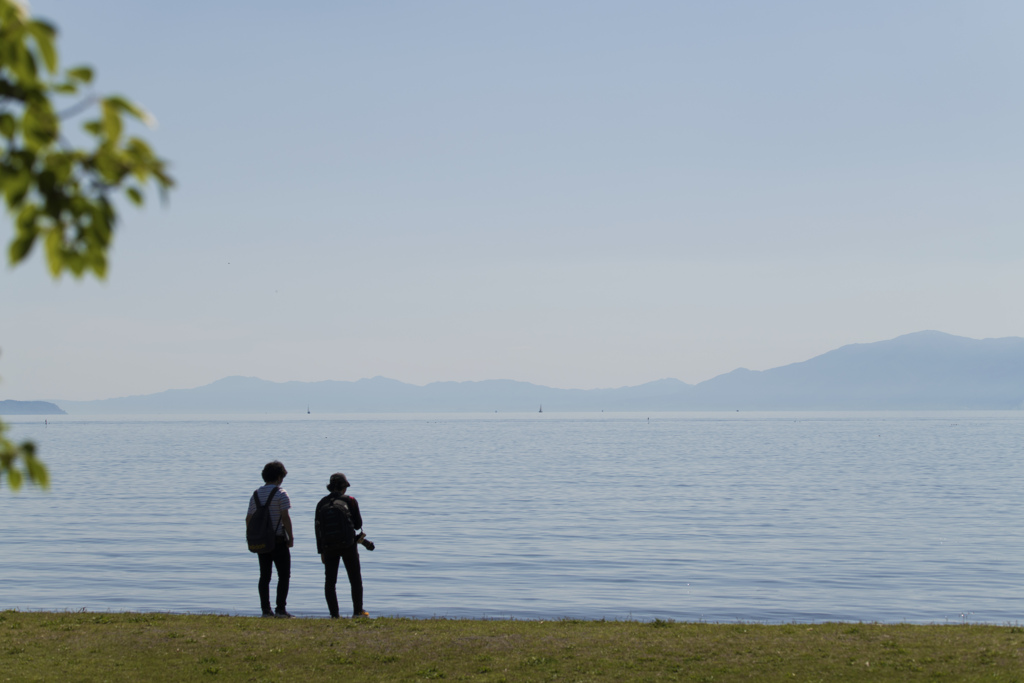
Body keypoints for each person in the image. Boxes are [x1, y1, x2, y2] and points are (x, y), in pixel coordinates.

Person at [315, 472, 368, 618]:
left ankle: (334, 615)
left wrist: (321, 551)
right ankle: (358, 612)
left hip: (328, 546)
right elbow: (358, 525)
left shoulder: (321, 503)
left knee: (330, 582)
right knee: (355, 578)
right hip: (348, 545)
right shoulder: (350, 500)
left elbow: (317, 529)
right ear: (344, 487)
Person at [246, 460, 294, 618]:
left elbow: (248, 518)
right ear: (279, 477)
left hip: (262, 540)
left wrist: (252, 536)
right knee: (284, 575)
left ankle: (266, 610)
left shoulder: (256, 495)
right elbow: (285, 518)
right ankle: (281, 609)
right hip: (278, 540)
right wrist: (291, 537)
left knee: (265, 576)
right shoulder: (281, 493)